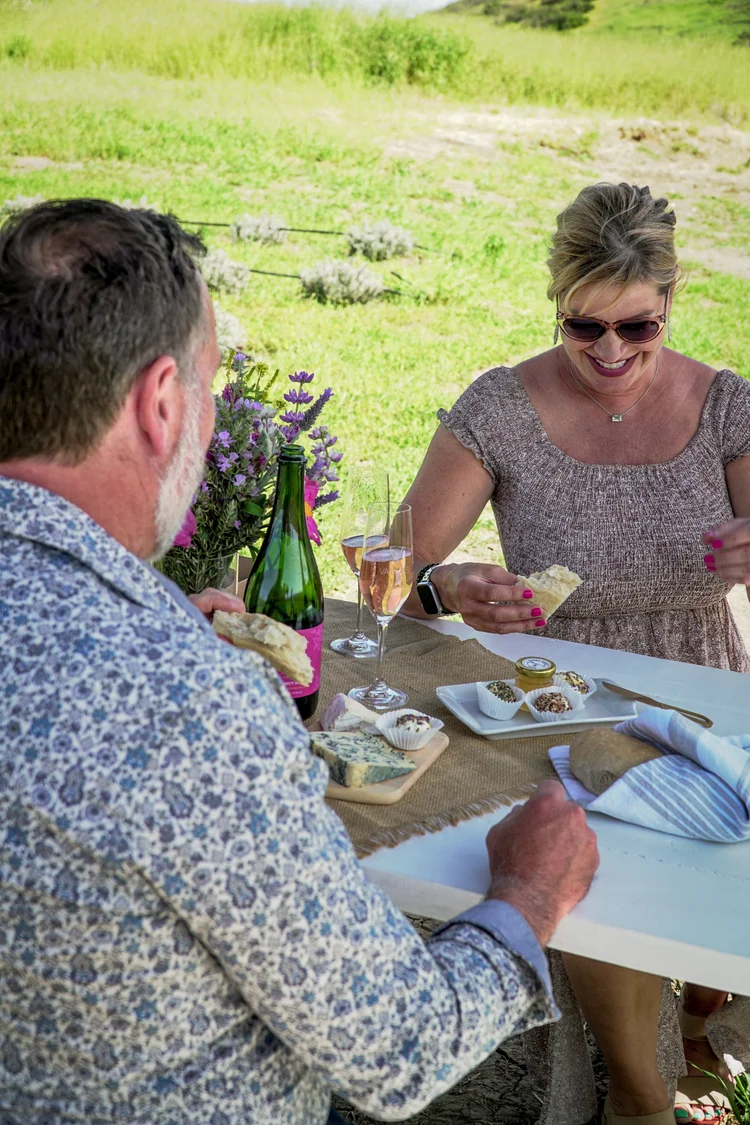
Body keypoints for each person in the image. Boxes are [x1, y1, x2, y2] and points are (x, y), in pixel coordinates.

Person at [0, 199, 598, 1125]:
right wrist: (528, 893)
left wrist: (152, 622)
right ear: (161, 404)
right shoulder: (189, 707)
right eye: (208, 385)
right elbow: (398, 1046)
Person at [402, 182, 750, 1125]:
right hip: (559, 700)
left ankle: (698, 1019)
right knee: (599, 862)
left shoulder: (728, 408)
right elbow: (396, 568)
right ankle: (640, 1097)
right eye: (583, 326)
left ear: (672, 298)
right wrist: (450, 586)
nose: (610, 352)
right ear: (556, 302)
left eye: (638, 327)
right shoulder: (501, 406)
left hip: (703, 692)